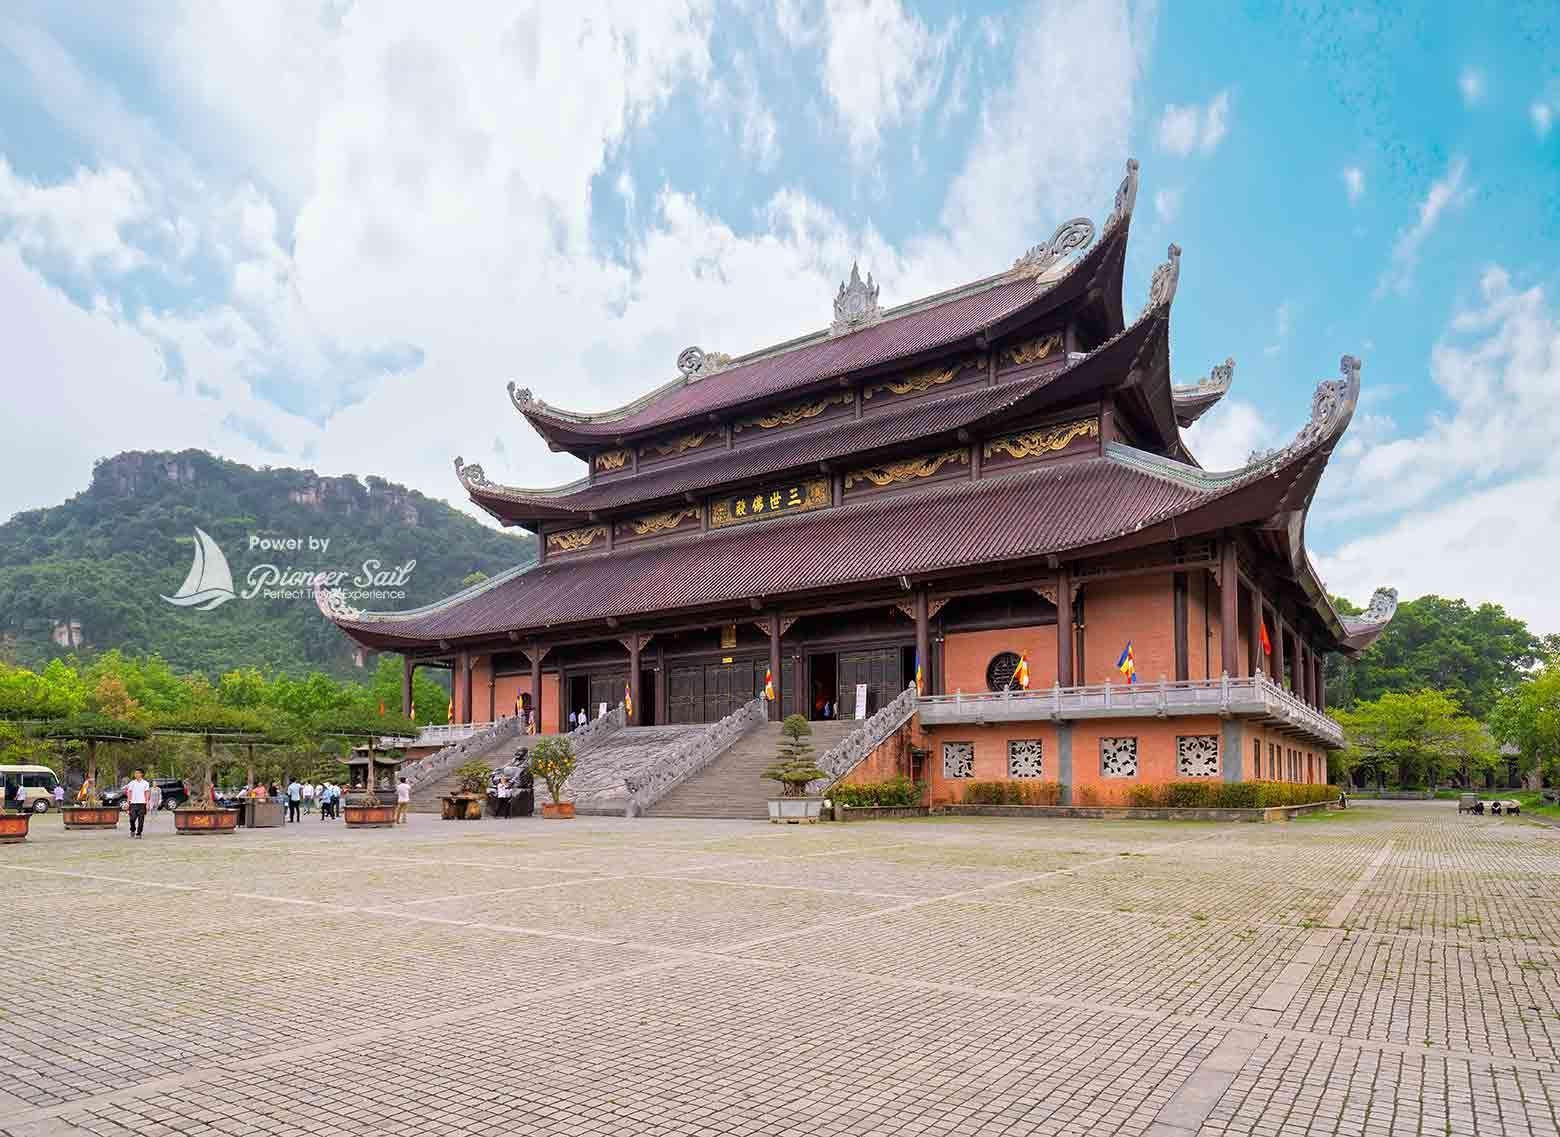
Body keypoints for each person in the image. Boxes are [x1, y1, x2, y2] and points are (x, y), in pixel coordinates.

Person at [125, 769, 151, 838]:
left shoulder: (145, 783)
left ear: (141, 774)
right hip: (133, 803)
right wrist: (128, 803)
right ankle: (132, 829)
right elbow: (129, 793)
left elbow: (147, 793)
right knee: (132, 818)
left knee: (141, 819)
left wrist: (147, 803)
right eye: (135, 773)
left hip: (142, 804)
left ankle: (139, 833)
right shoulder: (132, 783)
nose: (136, 774)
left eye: (137, 773)